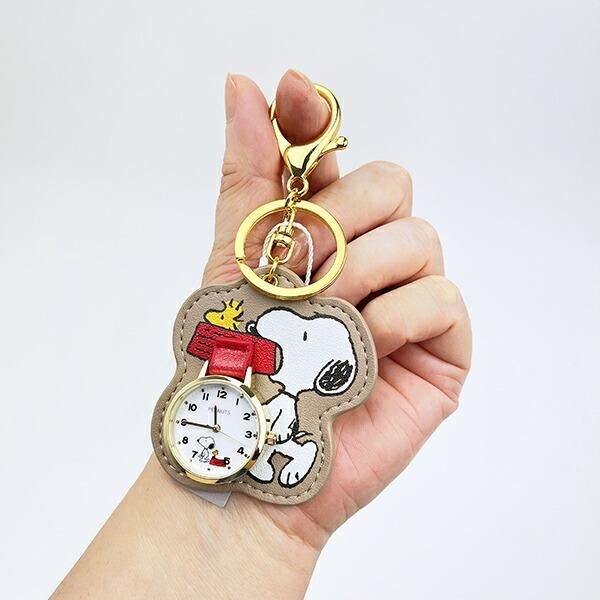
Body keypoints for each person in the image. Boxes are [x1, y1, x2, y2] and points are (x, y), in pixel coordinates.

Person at [51, 69, 472, 599]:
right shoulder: (241, 345)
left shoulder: (297, 381)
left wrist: (260, 529)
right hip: (229, 431)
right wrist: (230, 525)